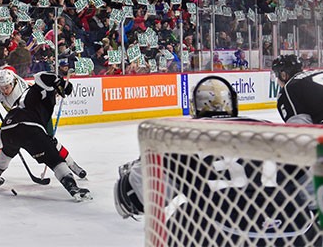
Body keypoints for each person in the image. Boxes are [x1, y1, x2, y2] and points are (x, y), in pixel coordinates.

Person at [113, 75, 318, 246]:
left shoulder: (184, 140)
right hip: (298, 235)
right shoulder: (269, 131)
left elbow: (132, 199)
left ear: (195, 108)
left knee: (180, 219)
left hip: (226, 236)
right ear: (233, 105)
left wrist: (136, 170)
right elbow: (313, 194)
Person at [0, 71, 92, 201]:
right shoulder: (43, 87)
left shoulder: (27, 94)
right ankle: (73, 187)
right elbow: (41, 76)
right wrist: (60, 81)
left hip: (8, 128)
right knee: (55, 160)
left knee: (7, 153)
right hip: (29, 129)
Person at [272, 54, 323, 124]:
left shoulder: (289, 88)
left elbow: (299, 128)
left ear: (283, 75)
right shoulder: (317, 72)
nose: (277, 80)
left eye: (276, 74)